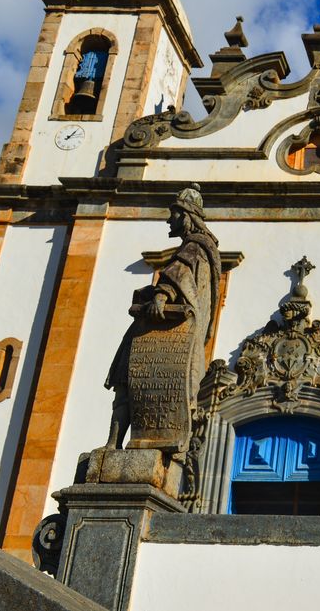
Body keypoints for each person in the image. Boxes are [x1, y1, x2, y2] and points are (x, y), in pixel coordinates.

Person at [105, 184, 221, 450]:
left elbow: (179, 273)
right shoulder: (201, 248)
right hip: (168, 339)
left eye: (174, 213)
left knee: (126, 388)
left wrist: (161, 295)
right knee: (129, 386)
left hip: (169, 335)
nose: (170, 219)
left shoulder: (194, 247)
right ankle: (116, 443)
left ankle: (114, 444)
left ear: (187, 215)